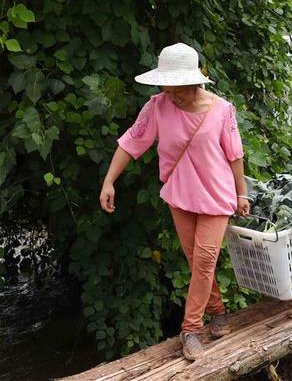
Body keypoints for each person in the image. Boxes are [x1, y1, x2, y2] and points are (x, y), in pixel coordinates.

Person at [98, 43, 249, 361]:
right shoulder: (156, 106)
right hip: (180, 194)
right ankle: (219, 311)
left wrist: (241, 193)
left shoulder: (222, 109)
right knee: (197, 261)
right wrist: (109, 181)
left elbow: (235, 155)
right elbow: (131, 142)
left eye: (176, 86)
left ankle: (191, 329)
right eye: (166, 85)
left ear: (194, 80)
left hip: (217, 195)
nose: (170, 92)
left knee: (206, 261)